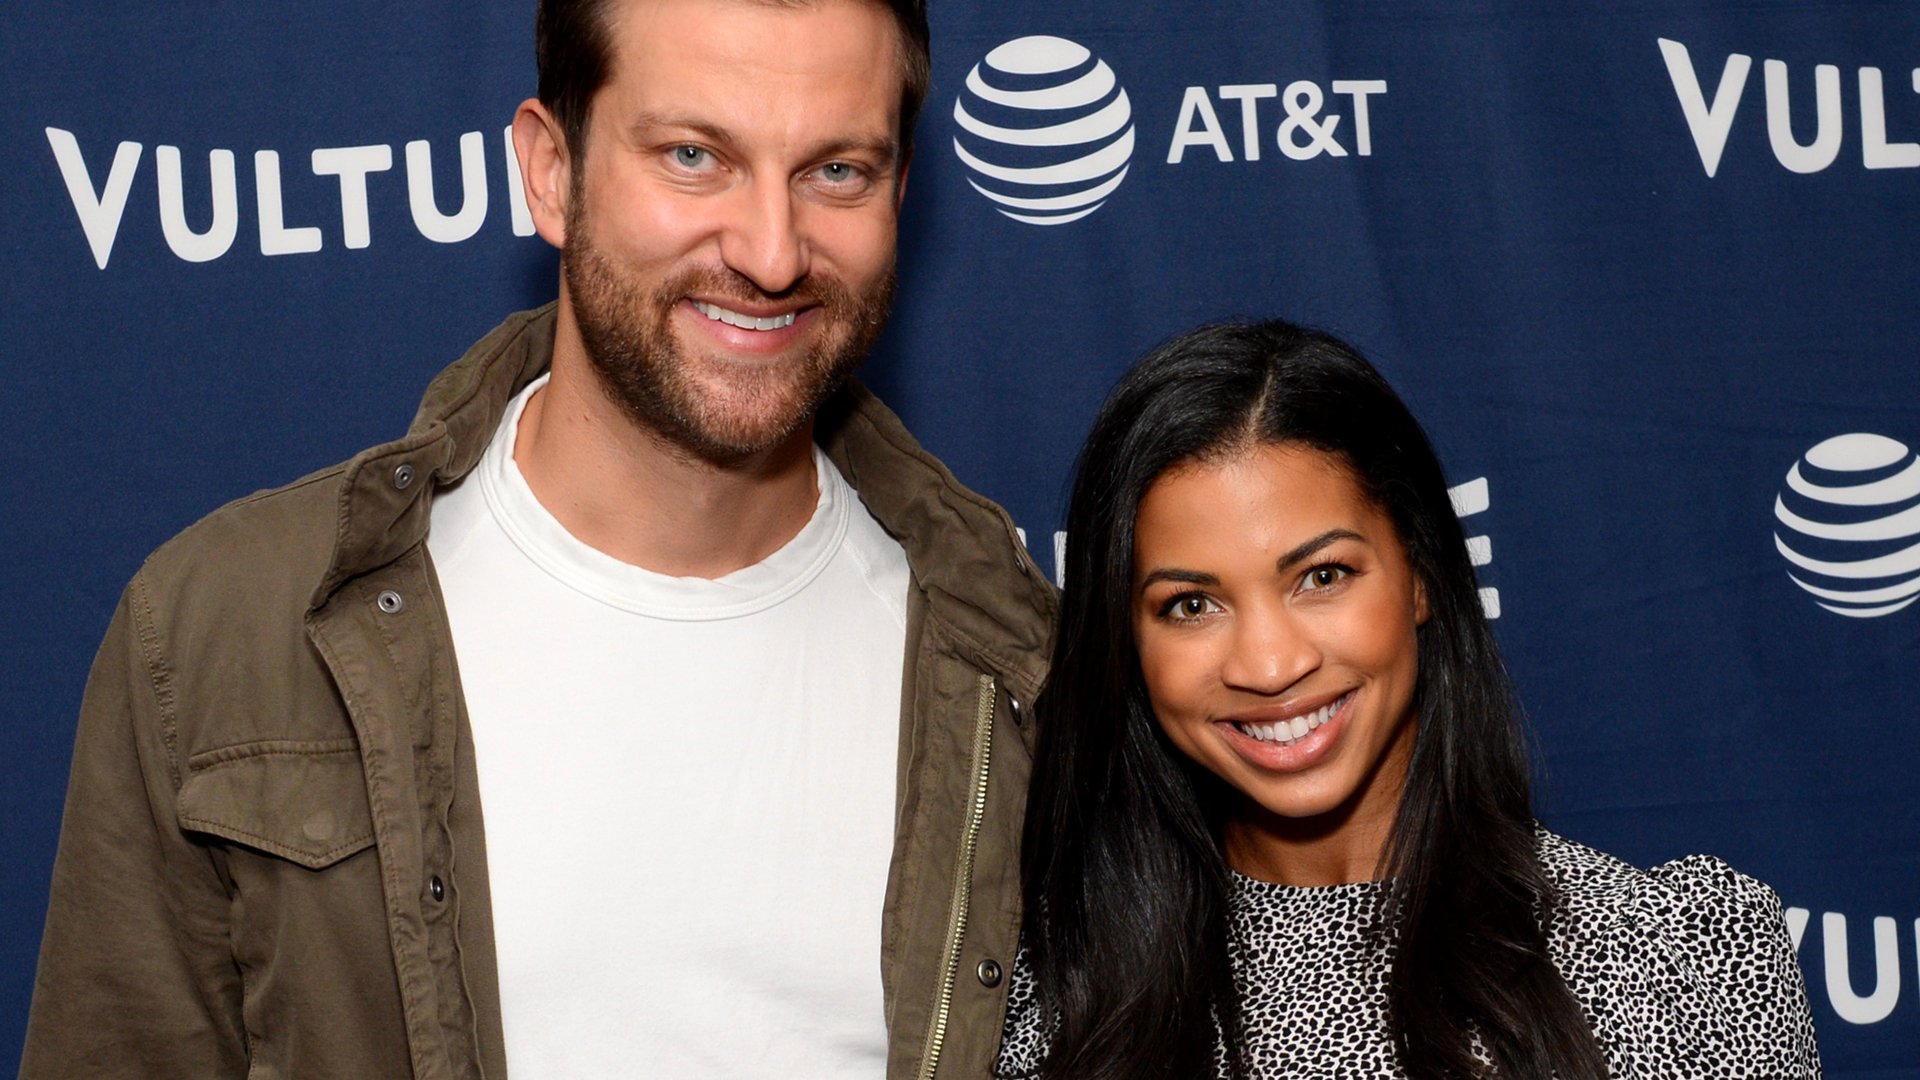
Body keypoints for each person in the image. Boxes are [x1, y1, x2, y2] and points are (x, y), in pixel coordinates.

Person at [22, 1, 1055, 1077]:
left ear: (899, 190)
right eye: (695, 156)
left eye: (835, 170)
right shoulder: (225, 630)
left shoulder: (1025, 666)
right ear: (551, 170)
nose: (770, 251)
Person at [997, 321, 1820, 1079]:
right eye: (1190, 604)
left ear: (1422, 575)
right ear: (1127, 644)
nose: (1272, 663)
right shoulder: (1043, 995)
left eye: (1323, 577)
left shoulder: (1679, 965)